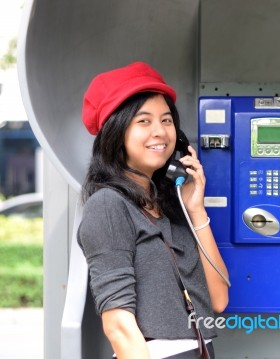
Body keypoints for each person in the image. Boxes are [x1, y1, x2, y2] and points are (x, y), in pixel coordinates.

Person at [78, 61, 229, 359]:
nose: (160, 132)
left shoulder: (172, 207)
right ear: (116, 132)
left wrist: (195, 210)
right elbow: (119, 326)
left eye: (167, 120)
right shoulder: (108, 206)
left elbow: (219, 298)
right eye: (144, 121)